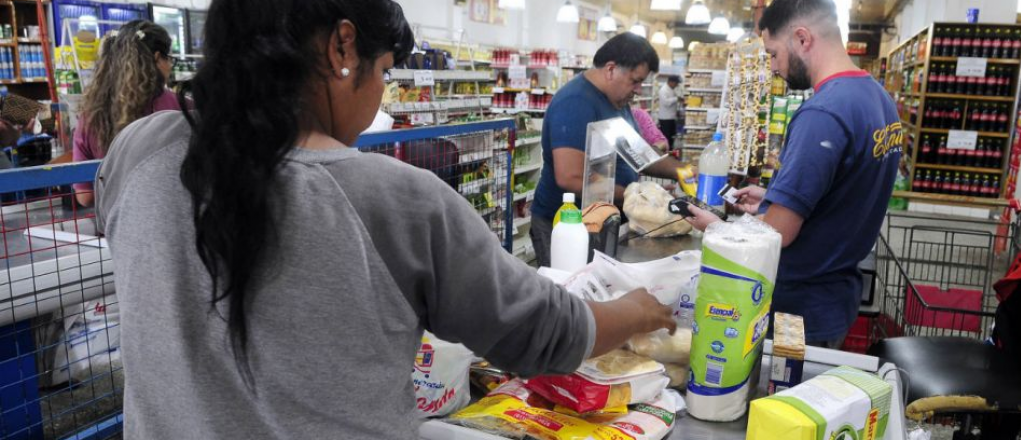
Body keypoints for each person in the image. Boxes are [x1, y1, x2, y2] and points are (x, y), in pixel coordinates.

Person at [94, 1, 675, 438]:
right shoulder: (396, 201)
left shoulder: (138, 151)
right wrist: (639, 308)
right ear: (343, 49)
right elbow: (546, 333)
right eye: (386, 71)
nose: (380, 93)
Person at [682, 0, 901, 348]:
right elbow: (838, 193)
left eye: (772, 54)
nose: (772, 68)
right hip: (837, 295)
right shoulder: (877, 97)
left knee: (778, 401)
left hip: (799, 310)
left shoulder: (822, 114)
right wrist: (773, 199)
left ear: (802, 38)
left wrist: (717, 227)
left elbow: (779, 233)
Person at [531, 33, 688, 268]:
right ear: (611, 69)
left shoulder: (616, 102)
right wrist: (634, 195)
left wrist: (683, 171)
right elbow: (570, 177)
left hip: (601, 220)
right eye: (635, 81)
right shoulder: (575, 103)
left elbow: (639, 154)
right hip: (567, 226)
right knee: (570, 297)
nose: (638, 90)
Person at [73, 19, 182, 207]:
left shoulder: (90, 115)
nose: (170, 66)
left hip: (115, 231)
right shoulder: (181, 107)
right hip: (173, 222)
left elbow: (85, 196)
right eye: (169, 59)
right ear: (157, 58)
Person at [656, 75, 681, 142]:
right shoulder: (663, 90)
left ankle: (670, 151)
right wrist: (676, 98)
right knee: (666, 138)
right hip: (665, 119)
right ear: (671, 82)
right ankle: (666, 152)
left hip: (671, 118)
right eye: (676, 83)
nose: (676, 85)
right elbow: (666, 103)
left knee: (671, 138)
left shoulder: (671, 89)